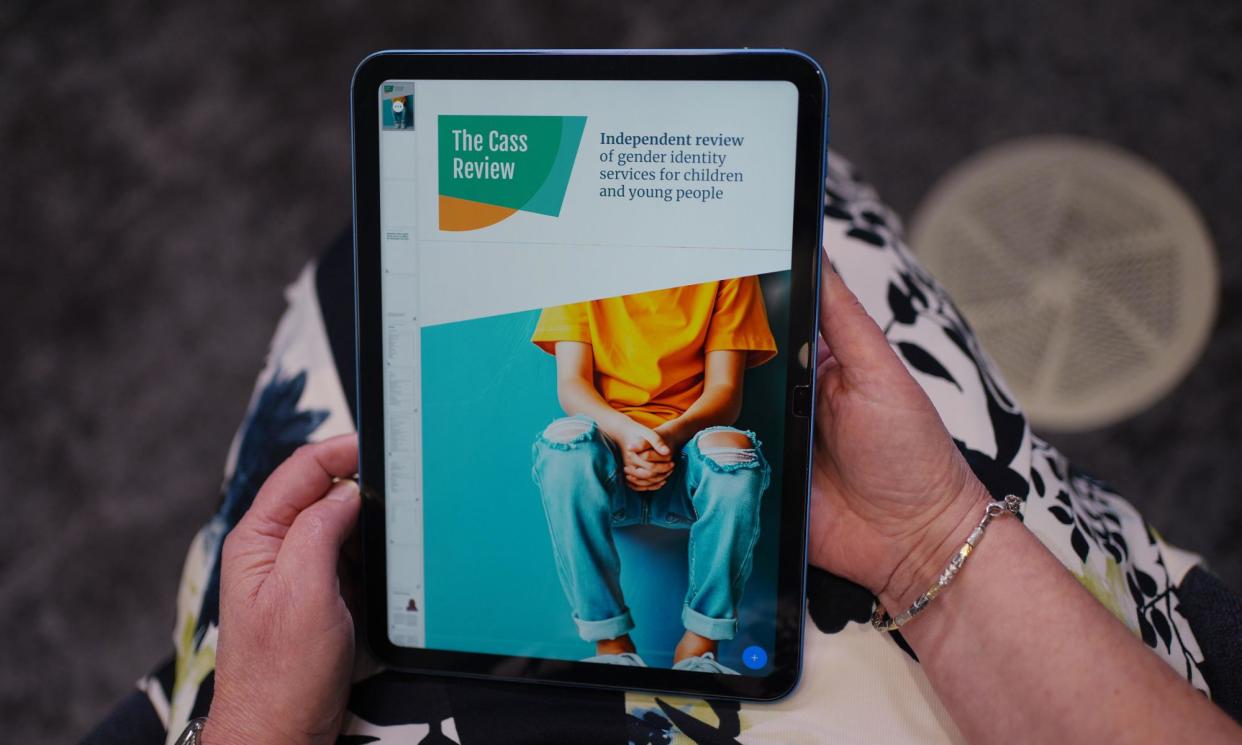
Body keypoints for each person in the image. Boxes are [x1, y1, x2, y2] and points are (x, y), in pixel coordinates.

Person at [83, 154, 1242, 744]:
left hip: (695, 432)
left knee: (736, 461)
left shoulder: (720, 281)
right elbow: (575, 387)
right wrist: (634, 433)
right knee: (553, 451)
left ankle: (696, 628)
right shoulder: (578, 290)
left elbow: (733, 383)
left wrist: (252, 730)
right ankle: (603, 627)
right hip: (629, 433)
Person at [529, 278, 777, 672]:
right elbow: (572, 384)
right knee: (563, 442)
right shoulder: (575, 267)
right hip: (608, 461)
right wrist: (627, 435)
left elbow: (725, 390)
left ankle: (699, 647)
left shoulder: (732, 271)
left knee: (734, 453)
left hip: (686, 459)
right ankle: (610, 645)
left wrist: (668, 438)